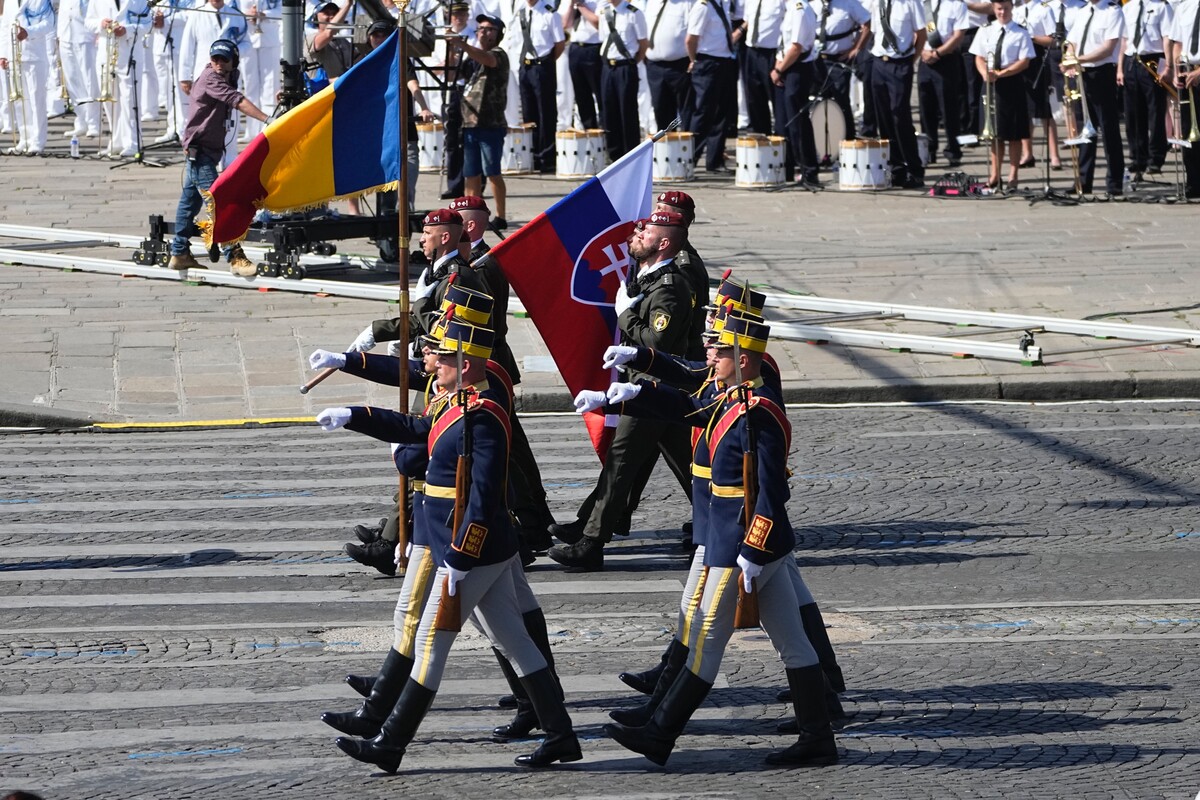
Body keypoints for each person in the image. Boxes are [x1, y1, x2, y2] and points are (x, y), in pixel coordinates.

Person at [316, 320, 583, 773]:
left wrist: (461, 555)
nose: (428, 361)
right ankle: (561, 736)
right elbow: (415, 427)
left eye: (437, 355)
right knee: (512, 638)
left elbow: (484, 495)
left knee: (430, 642)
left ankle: (390, 743)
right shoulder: (456, 402)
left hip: (470, 552)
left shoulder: (483, 415)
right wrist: (355, 416)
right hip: (470, 550)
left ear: (465, 362)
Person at [589, 314, 838, 767]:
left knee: (705, 637)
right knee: (794, 643)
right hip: (740, 541)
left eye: (719, 352)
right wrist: (626, 398)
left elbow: (771, 490)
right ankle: (818, 737)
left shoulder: (758, 413)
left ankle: (660, 734)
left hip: (738, 544)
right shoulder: (731, 397)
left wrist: (752, 550)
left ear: (744, 360)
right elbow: (688, 408)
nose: (709, 356)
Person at [547, 210, 698, 572]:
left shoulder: (670, 286)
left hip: (654, 390)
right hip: (645, 389)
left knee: (621, 463)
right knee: (689, 470)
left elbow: (657, 342)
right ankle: (727, 523)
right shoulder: (647, 277)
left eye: (645, 231)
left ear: (662, 243)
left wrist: (625, 314)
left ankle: (591, 543)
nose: (637, 233)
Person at [166, 38, 269, 276]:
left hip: (204, 152)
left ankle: (179, 253)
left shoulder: (227, 75)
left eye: (224, 59)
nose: (219, 64)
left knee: (189, 202)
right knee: (219, 201)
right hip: (200, 152)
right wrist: (267, 120)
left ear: (234, 61)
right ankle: (234, 257)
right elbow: (238, 101)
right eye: (215, 59)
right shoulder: (211, 79)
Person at [450, 13, 510, 226]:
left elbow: (488, 59)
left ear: (498, 34)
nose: (484, 32)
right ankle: (470, 216)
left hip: (490, 124)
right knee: (470, 175)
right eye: (481, 29)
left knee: (492, 172)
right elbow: (450, 76)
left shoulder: (499, 54)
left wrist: (462, 45)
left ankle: (500, 216)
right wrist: (452, 49)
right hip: (470, 124)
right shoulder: (472, 59)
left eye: (490, 29)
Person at [1063, 0, 1125, 197]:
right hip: (1082, 74)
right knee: (1085, 129)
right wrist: (1070, 57)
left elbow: (1108, 48)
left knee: (1108, 130)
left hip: (1102, 73)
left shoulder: (1112, 11)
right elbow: (1071, 41)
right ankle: (1083, 181)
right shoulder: (1083, 11)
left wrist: (1077, 59)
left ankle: (1114, 182)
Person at [970, 0, 1034, 190]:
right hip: (990, 83)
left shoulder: (1020, 32)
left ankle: (1013, 175)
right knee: (995, 133)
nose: (1002, 12)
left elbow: (1024, 61)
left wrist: (1002, 73)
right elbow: (978, 56)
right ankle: (995, 174)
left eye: (1005, 8)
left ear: (1011, 8)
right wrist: (985, 73)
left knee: (1013, 133)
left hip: (1011, 82)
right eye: (999, 9)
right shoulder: (986, 29)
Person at [867, 0, 928, 188]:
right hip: (879, 62)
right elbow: (876, 30)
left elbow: (921, 34)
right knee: (884, 117)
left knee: (899, 116)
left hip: (900, 63)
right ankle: (895, 169)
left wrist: (911, 60)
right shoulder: (878, 2)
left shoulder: (911, 3)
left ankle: (914, 168)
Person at [504, 0, 566, 173]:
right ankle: (532, 154)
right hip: (525, 65)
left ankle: (547, 156)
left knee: (545, 112)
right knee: (528, 111)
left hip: (542, 64)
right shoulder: (520, 12)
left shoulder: (550, 13)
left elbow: (559, 44)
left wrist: (545, 63)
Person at [686, 0, 745, 172]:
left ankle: (715, 160)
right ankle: (690, 159)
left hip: (724, 61)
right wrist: (693, 60)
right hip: (707, 61)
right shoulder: (703, 7)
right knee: (703, 112)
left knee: (722, 113)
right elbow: (691, 39)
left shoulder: (723, 4)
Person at [1117, 0, 1171, 179]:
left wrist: (1168, 66)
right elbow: (1124, 41)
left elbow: (1167, 38)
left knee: (1155, 110)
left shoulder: (1161, 7)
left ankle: (1156, 157)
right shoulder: (1128, 7)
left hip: (1152, 60)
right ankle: (1138, 156)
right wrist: (1120, 68)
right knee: (1132, 113)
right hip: (1132, 60)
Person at [774, 0, 822, 186]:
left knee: (798, 123)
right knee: (789, 124)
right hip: (789, 68)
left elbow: (796, 47)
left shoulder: (800, 10)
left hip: (798, 70)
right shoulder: (792, 8)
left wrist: (779, 70)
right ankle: (798, 168)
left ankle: (809, 171)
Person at [917, 0, 969, 168]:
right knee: (926, 108)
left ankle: (953, 150)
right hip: (925, 59)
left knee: (949, 108)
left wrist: (938, 52)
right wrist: (922, 51)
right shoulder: (923, 4)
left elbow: (958, 35)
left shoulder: (956, 5)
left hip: (947, 60)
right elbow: (917, 30)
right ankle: (929, 149)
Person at [810, 0, 870, 141]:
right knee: (817, 101)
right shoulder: (813, 5)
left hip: (838, 60)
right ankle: (820, 140)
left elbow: (867, 24)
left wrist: (856, 48)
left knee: (840, 101)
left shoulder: (849, 3)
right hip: (815, 60)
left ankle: (847, 139)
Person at [596, 0, 649, 160]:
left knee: (627, 110)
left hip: (625, 66)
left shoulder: (634, 13)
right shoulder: (604, 13)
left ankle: (630, 153)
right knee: (608, 110)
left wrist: (632, 62)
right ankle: (614, 153)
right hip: (608, 67)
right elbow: (602, 39)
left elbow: (643, 43)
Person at [1165, 0, 1200, 198]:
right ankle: (1194, 183)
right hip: (1188, 73)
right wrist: (1177, 68)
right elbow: (1177, 42)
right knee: (1189, 130)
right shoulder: (1185, 6)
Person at [643, 0, 694, 130]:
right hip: (654, 66)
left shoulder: (687, 3)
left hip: (680, 65)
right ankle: (666, 146)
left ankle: (687, 147)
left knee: (686, 110)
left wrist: (693, 59)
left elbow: (694, 33)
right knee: (660, 109)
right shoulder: (651, 3)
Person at [58, 0, 102, 142]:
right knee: (73, 81)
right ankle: (81, 120)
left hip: (85, 35)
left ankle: (94, 122)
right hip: (65, 34)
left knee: (90, 81)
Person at [564, 0, 604, 130]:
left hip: (594, 48)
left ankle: (606, 129)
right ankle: (589, 128)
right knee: (581, 95)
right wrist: (571, 5)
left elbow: (598, 22)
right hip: (575, 48)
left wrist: (581, 5)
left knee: (600, 93)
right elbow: (565, 24)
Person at [305, 0, 354, 89]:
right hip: (318, 93)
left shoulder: (343, 42)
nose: (331, 16)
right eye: (326, 13)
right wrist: (348, 4)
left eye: (335, 13)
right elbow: (328, 33)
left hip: (338, 92)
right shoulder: (310, 39)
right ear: (316, 18)